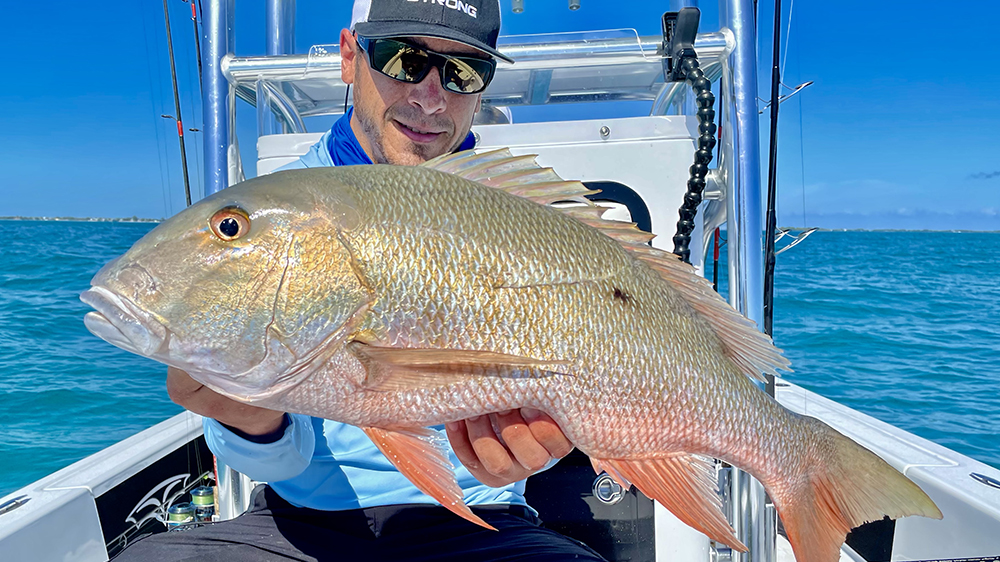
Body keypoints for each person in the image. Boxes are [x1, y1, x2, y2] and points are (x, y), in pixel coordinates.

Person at [115, 1, 607, 560]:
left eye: (463, 71)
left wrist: (551, 440)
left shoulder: (519, 217)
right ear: (350, 56)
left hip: (485, 519)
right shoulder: (281, 210)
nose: (430, 96)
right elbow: (282, 464)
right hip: (300, 524)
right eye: (403, 58)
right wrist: (250, 420)